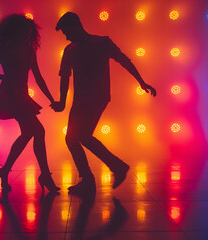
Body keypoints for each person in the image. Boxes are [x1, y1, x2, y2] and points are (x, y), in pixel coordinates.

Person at [52, 12, 156, 194]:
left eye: (67, 32)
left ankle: (97, 176)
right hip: (88, 98)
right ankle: (109, 170)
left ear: (76, 26)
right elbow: (65, 77)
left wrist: (141, 81)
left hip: (94, 98)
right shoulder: (81, 47)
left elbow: (124, 61)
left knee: (77, 137)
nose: (66, 37)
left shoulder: (98, 44)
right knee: (77, 137)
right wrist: (61, 100)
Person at [0, 14, 59, 192]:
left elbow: (38, 77)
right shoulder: (5, 51)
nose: (26, 34)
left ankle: (6, 170)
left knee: (30, 133)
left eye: (28, 32)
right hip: (10, 95)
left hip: (21, 95)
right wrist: (3, 76)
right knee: (38, 131)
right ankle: (45, 175)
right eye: (24, 31)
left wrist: (51, 98)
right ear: (16, 31)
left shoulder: (29, 51)